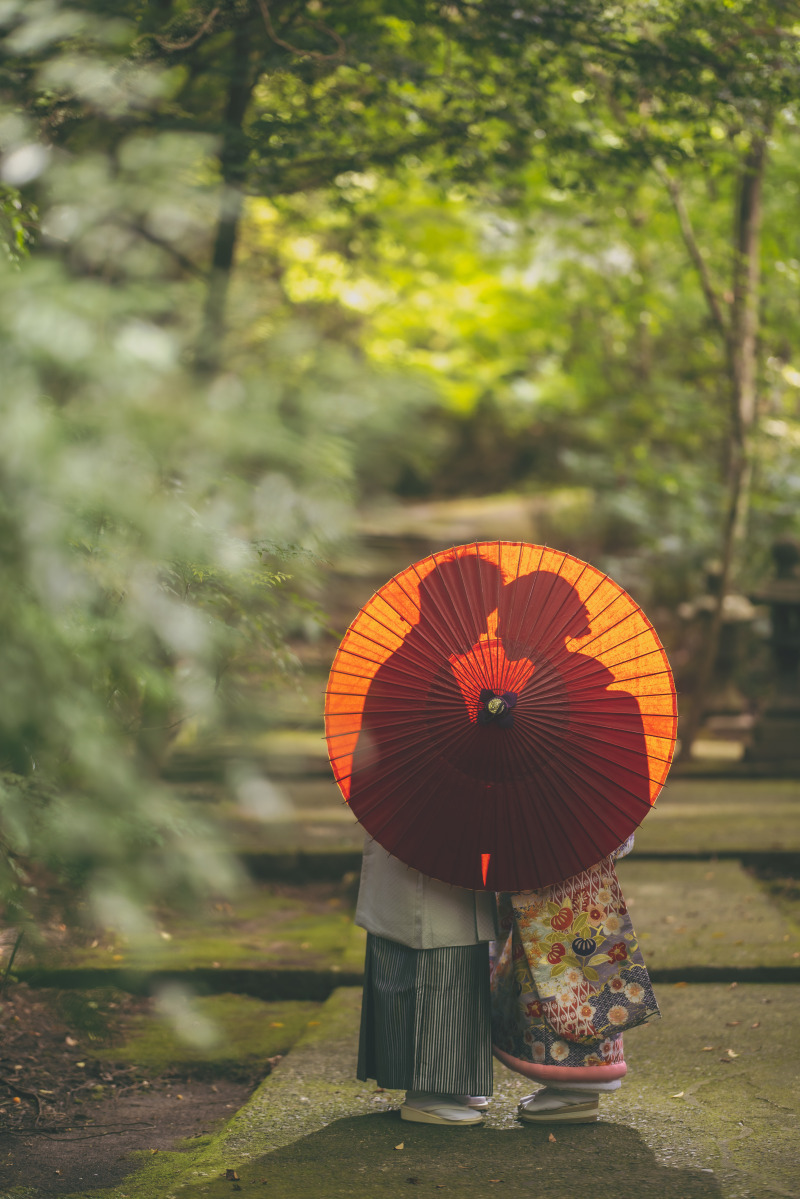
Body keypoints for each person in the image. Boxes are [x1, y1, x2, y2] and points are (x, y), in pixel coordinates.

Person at [489, 570, 660, 1123]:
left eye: (509, 623)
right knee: (574, 967)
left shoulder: (538, 696)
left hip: (552, 849)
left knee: (557, 973)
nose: (502, 635)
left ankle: (578, 1087)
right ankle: (579, 1082)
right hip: (580, 844)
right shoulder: (585, 685)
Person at [352, 554, 503, 1127]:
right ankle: (427, 1092)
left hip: (439, 830)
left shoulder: (440, 663)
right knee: (429, 951)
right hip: (418, 829)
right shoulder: (419, 667)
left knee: (458, 952)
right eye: (482, 609)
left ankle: (455, 1081)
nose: (487, 622)